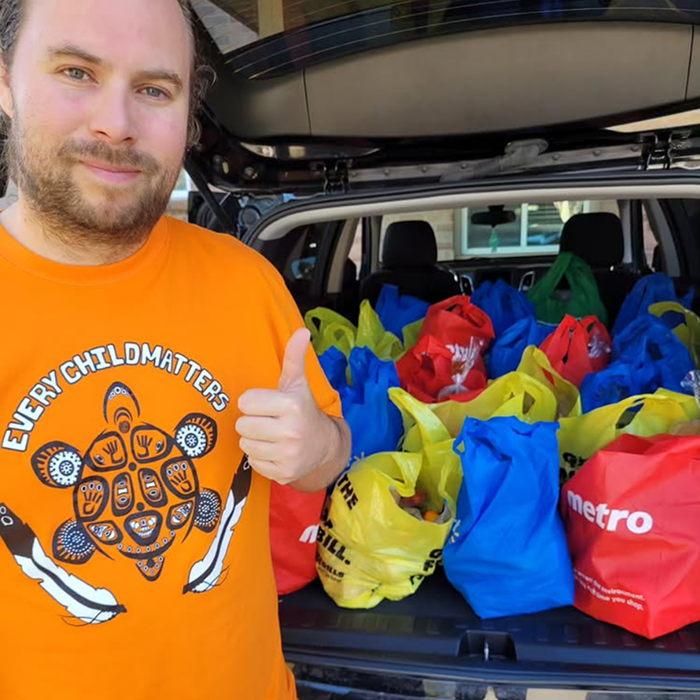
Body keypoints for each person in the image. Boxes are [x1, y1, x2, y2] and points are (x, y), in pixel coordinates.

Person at [0, 0, 351, 698]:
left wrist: (318, 449)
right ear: (5, 83)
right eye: (77, 71)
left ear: (188, 114)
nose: (117, 124)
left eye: (155, 89)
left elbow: (329, 457)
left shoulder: (244, 278)